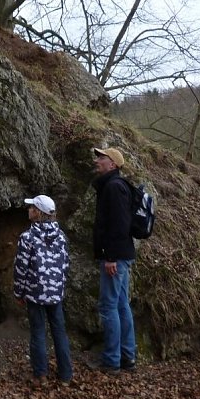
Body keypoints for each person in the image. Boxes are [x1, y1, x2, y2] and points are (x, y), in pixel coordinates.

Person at [13, 194, 73, 387]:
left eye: (32, 208)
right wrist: (60, 289)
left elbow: (21, 268)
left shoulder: (28, 237)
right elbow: (65, 265)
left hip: (35, 293)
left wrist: (19, 292)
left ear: (38, 213)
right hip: (55, 294)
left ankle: (41, 375)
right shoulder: (61, 237)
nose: (28, 210)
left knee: (38, 332)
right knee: (59, 332)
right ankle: (65, 375)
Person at [91, 147, 137, 374]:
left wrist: (110, 257)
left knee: (109, 306)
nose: (97, 160)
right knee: (120, 305)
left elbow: (118, 225)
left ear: (113, 164)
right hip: (122, 256)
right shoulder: (115, 186)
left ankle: (112, 360)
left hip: (115, 258)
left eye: (102, 158)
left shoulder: (113, 187)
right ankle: (127, 357)